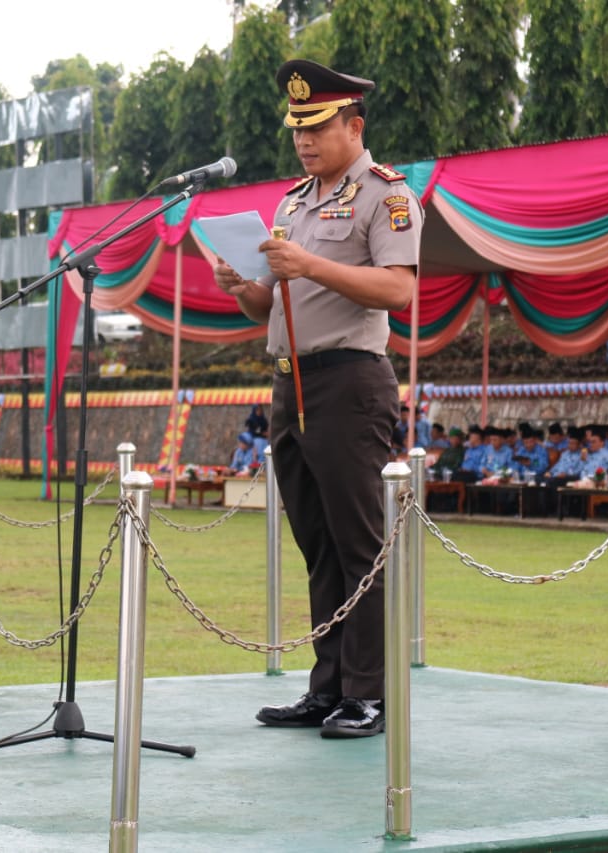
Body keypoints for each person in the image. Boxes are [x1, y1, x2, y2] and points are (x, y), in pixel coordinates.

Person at [212, 58, 421, 739]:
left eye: (317, 127)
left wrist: (308, 264)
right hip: (290, 380)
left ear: (353, 125)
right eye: (297, 129)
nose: (303, 141)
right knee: (319, 545)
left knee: (360, 544)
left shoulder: (386, 197)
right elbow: (269, 302)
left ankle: (370, 694)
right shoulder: (292, 204)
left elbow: (398, 290)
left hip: (350, 382)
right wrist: (240, 283)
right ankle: (327, 686)